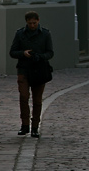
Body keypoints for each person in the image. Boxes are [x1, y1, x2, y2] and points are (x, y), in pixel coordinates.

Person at [9, 10, 54, 138]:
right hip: (24, 69)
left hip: (39, 70)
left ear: (38, 21)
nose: (32, 25)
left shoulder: (45, 34)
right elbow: (12, 52)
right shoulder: (20, 34)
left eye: (34, 23)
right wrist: (23, 53)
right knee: (23, 97)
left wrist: (40, 56)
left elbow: (50, 52)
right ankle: (24, 125)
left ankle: (35, 126)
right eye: (30, 23)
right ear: (26, 23)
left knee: (37, 100)